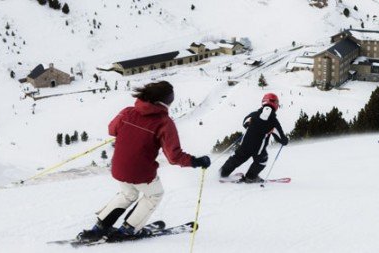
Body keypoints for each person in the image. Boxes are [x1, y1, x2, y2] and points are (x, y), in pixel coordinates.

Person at [78, 81, 211, 242]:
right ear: (166, 102)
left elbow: (111, 129)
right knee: (154, 194)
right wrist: (196, 161)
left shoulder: (127, 112)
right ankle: (128, 230)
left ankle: (99, 227)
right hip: (140, 172)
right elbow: (173, 157)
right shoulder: (164, 123)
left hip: (119, 167)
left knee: (128, 194)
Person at [219, 93, 289, 183]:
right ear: (275, 104)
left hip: (245, 144)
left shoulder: (254, 114)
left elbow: (245, 122)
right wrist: (285, 141)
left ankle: (222, 173)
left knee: (237, 158)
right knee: (262, 160)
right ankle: (250, 177)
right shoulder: (274, 121)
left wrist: (251, 124)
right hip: (258, 149)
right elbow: (281, 138)